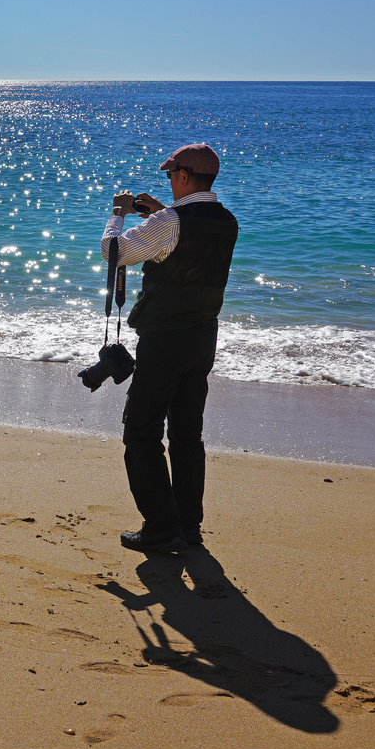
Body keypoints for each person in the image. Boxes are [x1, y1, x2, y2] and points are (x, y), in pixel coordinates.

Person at [101, 144, 237, 554]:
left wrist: (119, 212)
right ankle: (188, 525)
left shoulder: (170, 220)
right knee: (186, 435)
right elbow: (187, 235)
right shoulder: (227, 221)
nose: (168, 180)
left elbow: (115, 254)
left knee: (141, 431)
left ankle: (161, 527)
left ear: (181, 176)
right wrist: (161, 212)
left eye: (169, 174)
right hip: (202, 338)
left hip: (164, 341)